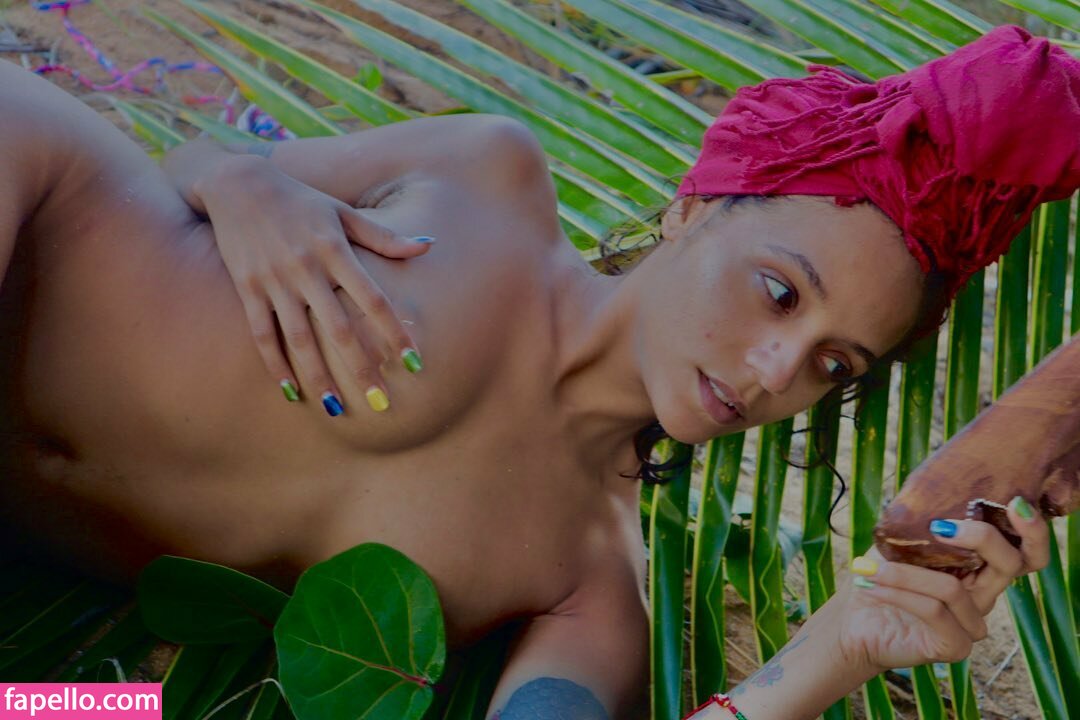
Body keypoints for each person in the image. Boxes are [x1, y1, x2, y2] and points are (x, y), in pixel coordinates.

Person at [0, 23, 1076, 720]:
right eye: (779, 293)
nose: (774, 369)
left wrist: (844, 646)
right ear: (696, 208)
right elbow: (176, 170)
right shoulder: (487, 174)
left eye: (832, 363)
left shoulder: (585, 588)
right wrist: (243, 185)